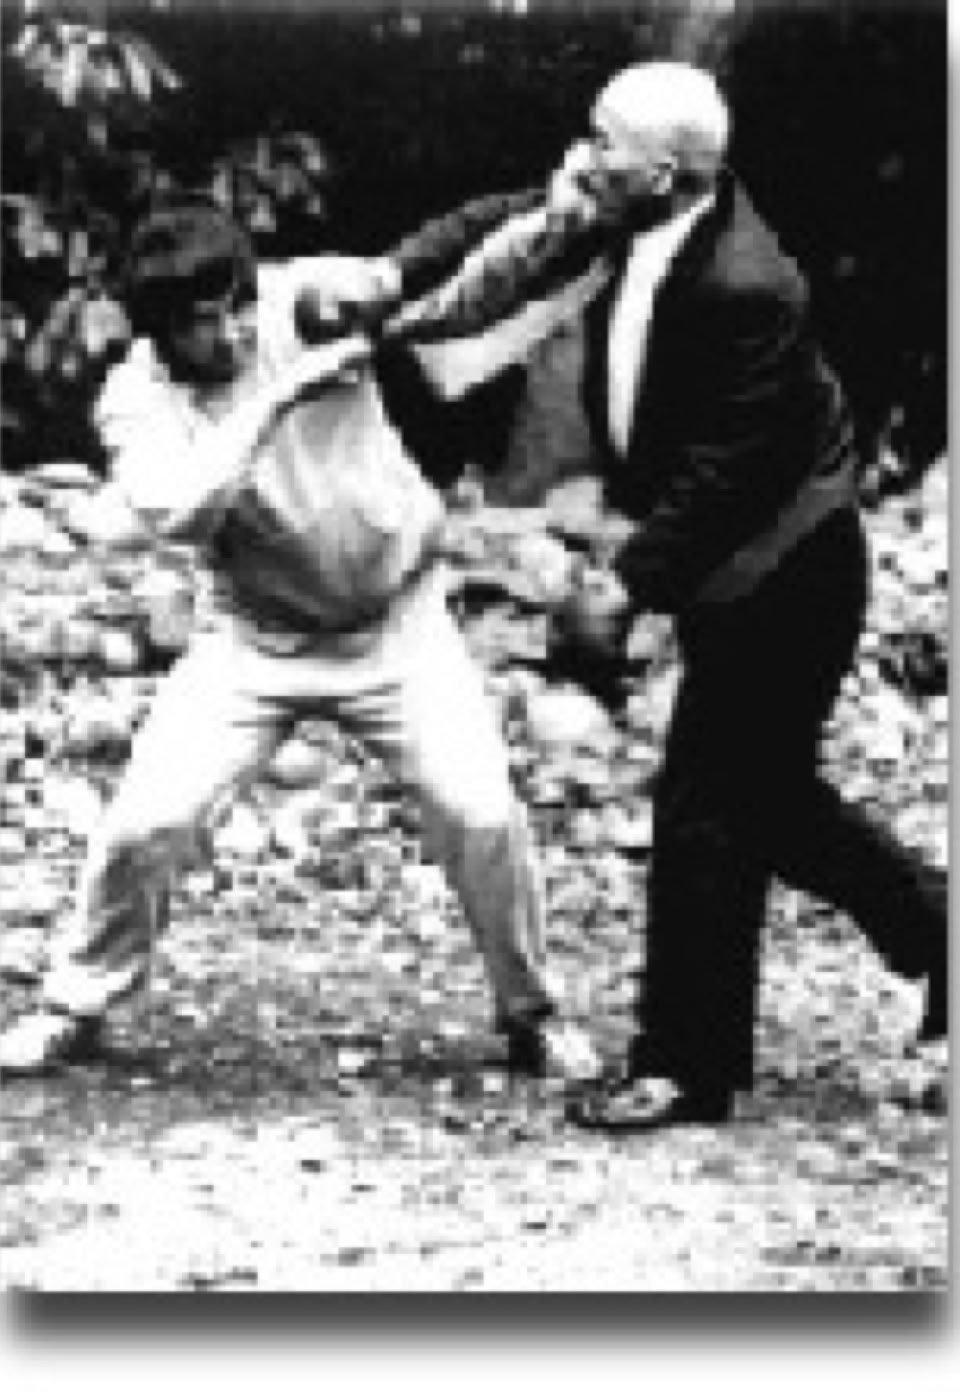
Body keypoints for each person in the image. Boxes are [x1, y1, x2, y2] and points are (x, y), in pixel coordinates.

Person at [371, 60, 949, 1131]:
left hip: (789, 567)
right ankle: (942, 936)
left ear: (673, 174)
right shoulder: (618, 214)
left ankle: (686, 1065)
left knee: (703, 810)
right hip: (731, 558)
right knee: (771, 801)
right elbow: (494, 221)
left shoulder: (749, 286)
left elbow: (725, 474)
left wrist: (623, 588)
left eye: (607, 145)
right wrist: (392, 274)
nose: (581, 158)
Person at [0, 199, 602, 1083]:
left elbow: (446, 279)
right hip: (255, 642)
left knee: (480, 811)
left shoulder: (301, 299)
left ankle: (532, 1013)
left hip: (400, 629)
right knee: (146, 822)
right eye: (200, 322)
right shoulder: (137, 396)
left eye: (238, 304)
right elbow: (177, 510)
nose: (233, 331)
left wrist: (561, 211)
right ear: (158, 330)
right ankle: (77, 1005)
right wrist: (282, 393)